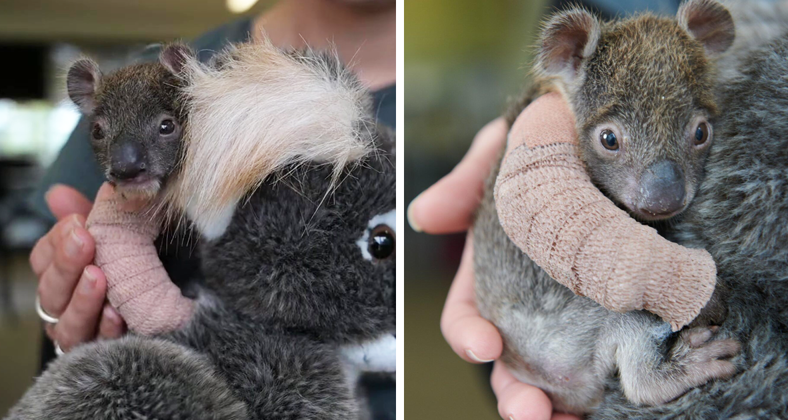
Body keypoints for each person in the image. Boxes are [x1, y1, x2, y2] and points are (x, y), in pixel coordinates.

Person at [28, 0, 395, 417]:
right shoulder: (135, 82)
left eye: (167, 128)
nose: (127, 160)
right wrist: (64, 325)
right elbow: (59, 318)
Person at [408, 1, 681, 419]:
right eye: (610, 141)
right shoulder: (563, 108)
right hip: (562, 331)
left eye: (699, 134)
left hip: (552, 339)